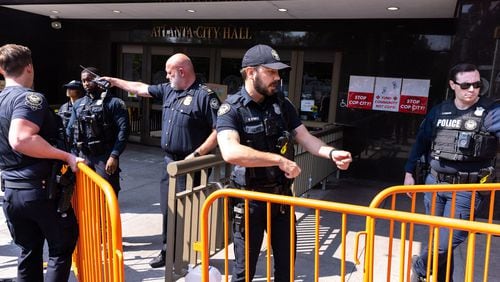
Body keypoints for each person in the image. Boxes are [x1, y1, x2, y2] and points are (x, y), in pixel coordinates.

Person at [216, 44, 353, 281]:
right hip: (250, 202)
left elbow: (305, 137)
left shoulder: (281, 104)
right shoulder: (231, 109)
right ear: (251, 72)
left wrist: (331, 153)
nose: (278, 78)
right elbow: (230, 151)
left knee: (286, 268)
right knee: (244, 272)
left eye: (279, 73)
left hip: (281, 199)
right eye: (271, 72)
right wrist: (279, 160)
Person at [100, 53, 221, 268]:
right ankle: (168, 251)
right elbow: (139, 88)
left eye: (169, 72)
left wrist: (197, 154)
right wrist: (113, 81)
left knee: (190, 212)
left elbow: (218, 130)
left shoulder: (205, 96)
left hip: (191, 166)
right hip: (169, 163)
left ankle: (190, 255)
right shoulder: (168, 90)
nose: (166, 76)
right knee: (169, 210)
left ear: (182, 72)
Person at [404, 63, 500, 282]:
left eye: (477, 84)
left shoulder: (492, 112)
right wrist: (409, 171)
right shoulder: (439, 110)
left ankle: (419, 268)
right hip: (435, 184)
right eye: (466, 84)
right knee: (438, 238)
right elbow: (421, 142)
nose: (472, 89)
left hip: (466, 188)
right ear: (452, 85)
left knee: (447, 240)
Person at [0, 44, 84, 281]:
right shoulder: (31, 98)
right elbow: (21, 138)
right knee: (61, 247)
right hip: (39, 191)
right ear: (29, 67)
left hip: (12, 192)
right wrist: (66, 156)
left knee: (30, 249)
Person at [67, 67, 130, 197]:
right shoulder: (78, 104)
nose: (85, 83)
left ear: (99, 79)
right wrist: (72, 154)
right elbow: (70, 130)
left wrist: (114, 155)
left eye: (89, 80)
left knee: (107, 193)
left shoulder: (114, 103)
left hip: (104, 156)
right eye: (83, 81)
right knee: (87, 195)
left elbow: (123, 131)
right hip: (84, 155)